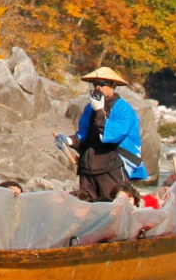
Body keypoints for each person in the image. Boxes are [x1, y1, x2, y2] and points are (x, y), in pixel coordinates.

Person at [54, 66, 148, 205]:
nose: (98, 87)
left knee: (113, 206)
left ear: (113, 85)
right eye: (95, 84)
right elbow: (83, 135)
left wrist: (99, 110)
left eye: (103, 84)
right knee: (86, 207)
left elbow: (114, 134)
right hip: (87, 167)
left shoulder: (123, 109)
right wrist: (68, 140)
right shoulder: (89, 107)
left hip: (111, 166)